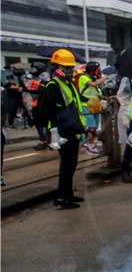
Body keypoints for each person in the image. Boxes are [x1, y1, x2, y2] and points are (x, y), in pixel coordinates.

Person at [40, 49, 86, 209]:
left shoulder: (68, 83)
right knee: (67, 164)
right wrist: (54, 132)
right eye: (68, 68)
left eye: (71, 68)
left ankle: (67, 194)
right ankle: (63, 198)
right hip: (62, 131)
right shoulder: (52, 85)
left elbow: (75, 102)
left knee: (71, 164)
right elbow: (47, 110)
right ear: (58, 68)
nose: (71, 71)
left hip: (71, 128)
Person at [76, 61, 107, 155]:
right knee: (92, 126)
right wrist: (104, 77)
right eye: (98, 70)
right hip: (86, 106)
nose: (99, 71)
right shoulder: (83, 77)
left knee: (95, 126)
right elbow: (93, 84)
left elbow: (96, 92)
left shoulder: (92, 78)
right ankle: (89, 146)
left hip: (95, 106)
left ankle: (89, 143)